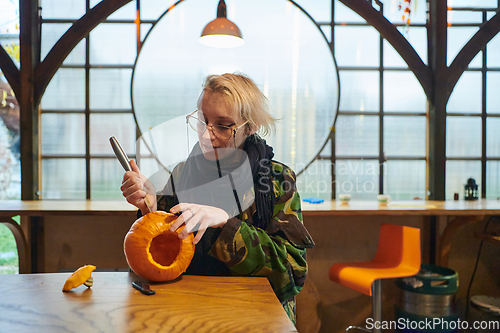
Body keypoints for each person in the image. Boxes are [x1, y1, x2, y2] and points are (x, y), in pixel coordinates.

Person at [120, 73, 315, 324]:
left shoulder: (276, 180)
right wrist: (151, 209)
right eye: (202, 121)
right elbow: (159, 257)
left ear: (251, 126)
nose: (206, 136)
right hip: (192, 308)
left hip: (258, 315)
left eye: (223, 126)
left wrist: (227, 225)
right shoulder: (183, 173)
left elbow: (291, 273)